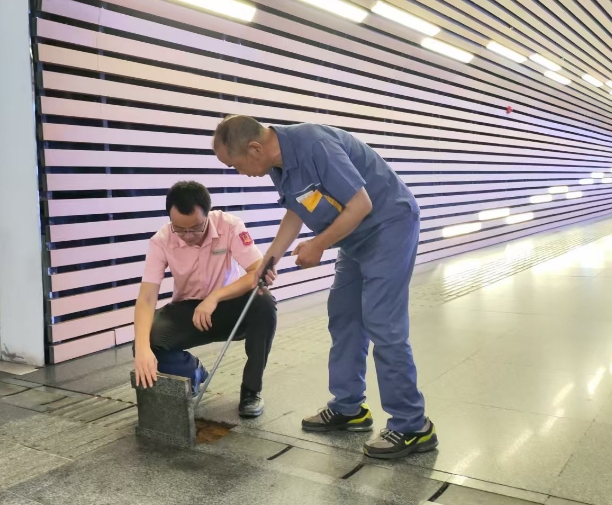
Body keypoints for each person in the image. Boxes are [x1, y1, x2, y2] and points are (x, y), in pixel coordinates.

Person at [212, 115, 438, 459]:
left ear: (254, 148)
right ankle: (349, 408)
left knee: (383, 322)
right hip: (355, 237)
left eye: (235, 164)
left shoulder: (314, 145)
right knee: (344, 316)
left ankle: (413, 426)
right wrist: (268, 261)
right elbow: (296, 211)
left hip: (389, 225)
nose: (239, 173)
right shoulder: (278, 164)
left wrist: (318, 244)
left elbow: (361, 204)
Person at [133, 181, 277, 418]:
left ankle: (251, 391)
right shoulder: (161, 240)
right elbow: (147, 298)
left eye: (196, 228)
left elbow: (256, 271)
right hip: (187, 311)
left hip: (227, 306)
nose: (188, 236)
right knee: (146, 340)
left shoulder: (230, 226)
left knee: (264, 302)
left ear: (208, 215)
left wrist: (215, 297)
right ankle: (194, 372)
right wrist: (142, 350)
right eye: (180, 229)